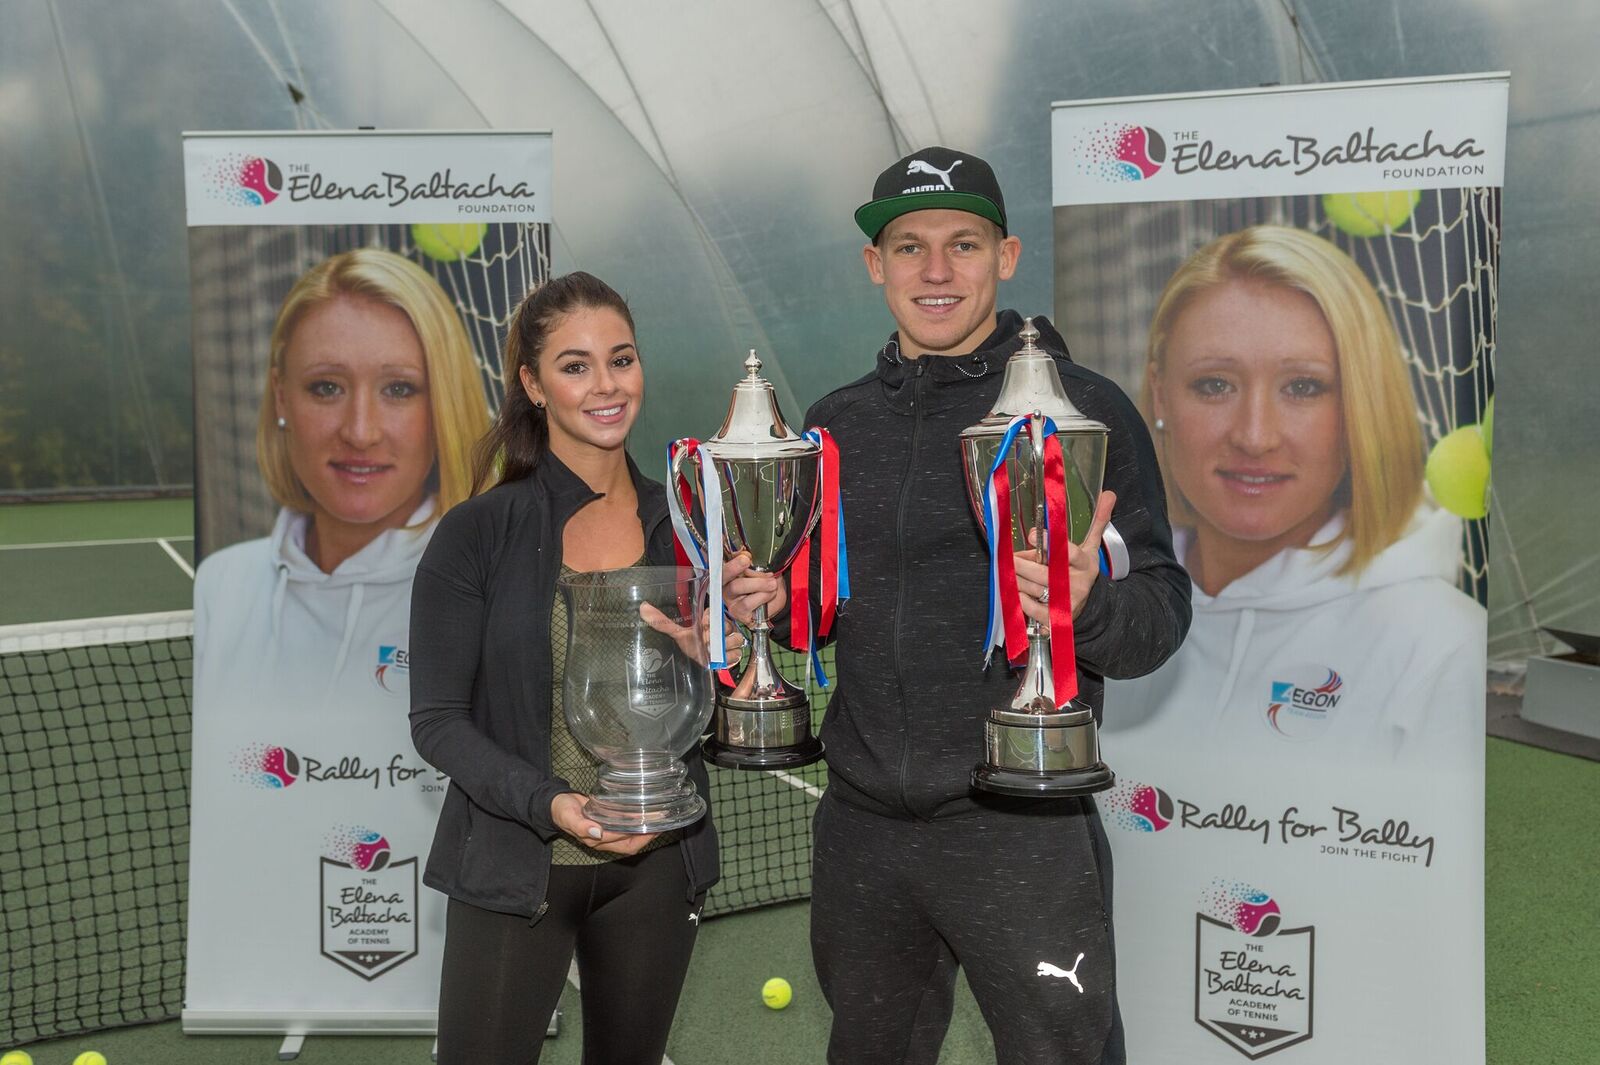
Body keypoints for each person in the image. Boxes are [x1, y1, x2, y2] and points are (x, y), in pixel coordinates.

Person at [725, 147, 1191, 1064]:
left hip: (1019, 825)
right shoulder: (832, 422)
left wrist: (1086, 607)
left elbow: (1161, 614)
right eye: (910, 248)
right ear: (876, 265)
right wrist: (773, 603)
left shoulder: (1081, 412)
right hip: (861, 827)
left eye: (964, 245)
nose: (936, 272)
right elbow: (824, 613)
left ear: (1007, 255)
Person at [408, 272, 733, 1065]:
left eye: (620, 360)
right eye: (575, 364)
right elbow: (438, 721)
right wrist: (551, 803)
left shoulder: (687, 524)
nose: (605, 385)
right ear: (532, 383)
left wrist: (728, 667)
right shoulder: (476, 533)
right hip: (518, 865)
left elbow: (710, 716)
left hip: (659, 867)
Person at [1104, 224, 1486, 760]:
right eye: (1215, 385)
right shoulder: (1097, 601)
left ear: (1360, 407)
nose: (1255, 436)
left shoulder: (1442, 644)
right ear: (1162, 395)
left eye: (1303, 387)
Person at [193, 245, 489, 714]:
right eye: (327, 387)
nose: (360, 432)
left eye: (398, 389)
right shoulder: (222, 585)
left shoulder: (494, 592)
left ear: (443, 407)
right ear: (282, 397)